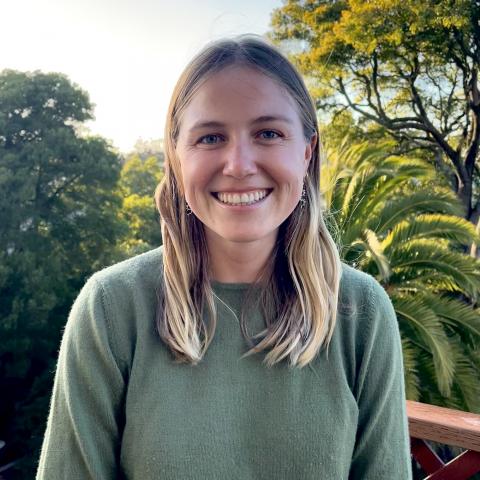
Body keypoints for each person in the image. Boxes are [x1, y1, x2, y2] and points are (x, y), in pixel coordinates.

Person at [36, 35, 412, 479]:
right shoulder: (112, 307)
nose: (238, 164)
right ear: (176, 158)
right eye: (211, 137)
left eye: (268, 133)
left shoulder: (359, 311)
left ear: (306, 151)